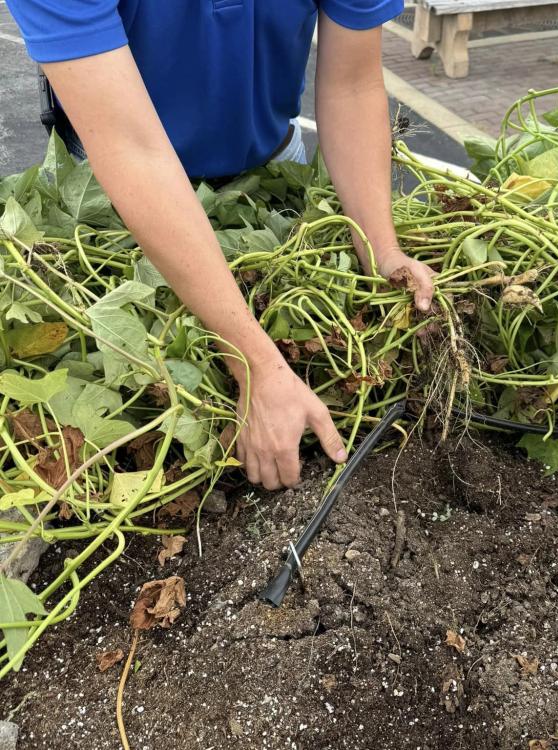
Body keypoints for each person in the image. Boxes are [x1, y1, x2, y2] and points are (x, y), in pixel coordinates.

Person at [6, 0, 436, 491]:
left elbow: (353, 84)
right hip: (112, 197)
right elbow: (131, 149)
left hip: (272, 168)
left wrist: (382, 250)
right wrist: (256, 363)